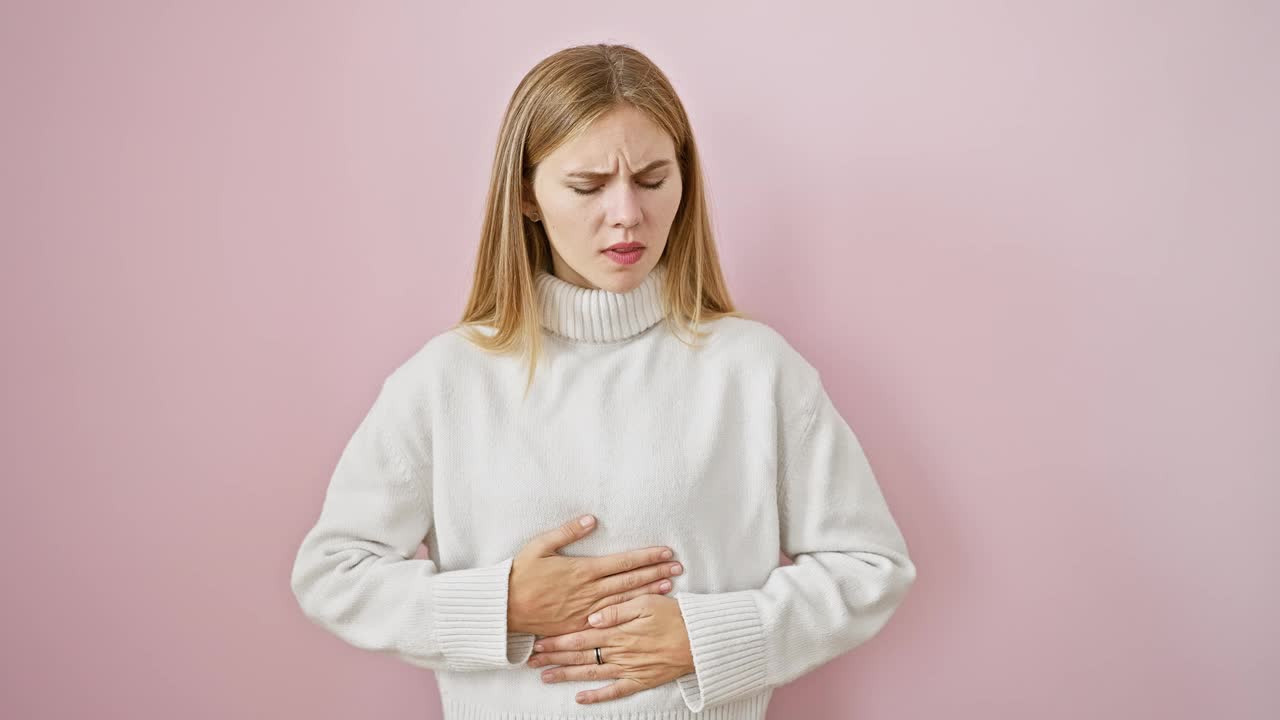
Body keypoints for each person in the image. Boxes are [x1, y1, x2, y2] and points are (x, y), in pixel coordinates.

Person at [290, 42, 917, 720]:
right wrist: (503, 606)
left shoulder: (755, 370)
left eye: (652, 180)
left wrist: (711, 639)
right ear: (527, 195)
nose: (626, 214)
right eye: (588, 186)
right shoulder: (448, 380)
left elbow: (871, 565)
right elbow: (333, 573)